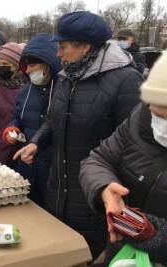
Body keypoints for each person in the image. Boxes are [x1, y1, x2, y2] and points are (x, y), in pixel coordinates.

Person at [13, 11, 143, 259]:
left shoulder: (125, 80)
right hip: (57, 193)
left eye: (62, 47)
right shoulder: (66, 76)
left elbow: (133, 146)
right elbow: (54, 119)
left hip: (92, 202)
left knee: (85, 256)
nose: (58, 54)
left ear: (85, 47)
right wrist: (37, 143)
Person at [79, 53, 167, 265]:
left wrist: (162, 239)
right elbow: (98, 159)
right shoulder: (140, 120)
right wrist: (105, 189)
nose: (160, 127)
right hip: (123, 252)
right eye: (156, 114)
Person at [3, 33, 61, 206]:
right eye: (26, 66)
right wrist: (12, 130)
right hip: (26, 165)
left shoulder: (63, 91)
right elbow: (17, 117)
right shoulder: (25, 91)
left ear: (48, 64)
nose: (27, 71)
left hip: (52, 170)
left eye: (33, 65)